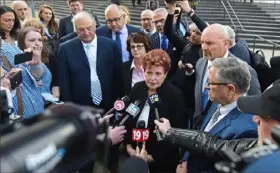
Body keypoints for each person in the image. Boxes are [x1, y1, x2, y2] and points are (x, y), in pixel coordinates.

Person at [154, 79, 280, 173]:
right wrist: (170, 132)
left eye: (264, 115)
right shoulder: (256, 147)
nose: (256, 119)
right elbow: (214, 145)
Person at [124, 49, 186, 173]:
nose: (152, 78)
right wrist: (129, 148)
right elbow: (128, 120)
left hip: (161, 163)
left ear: (166, 74)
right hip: (133, 157)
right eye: (148, 73)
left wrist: (150, 158)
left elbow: (177, 133)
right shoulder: (137, 88)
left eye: (158, 74)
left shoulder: (175, 95)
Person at [58, 11, 123, 111]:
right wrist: (69, 107)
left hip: (109, 102)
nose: (86, 33)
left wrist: (118, 101)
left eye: (89, 28)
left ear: (94, 26)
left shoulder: (111, 46)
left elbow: (118, 76)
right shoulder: (65, 49)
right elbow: (64, 81)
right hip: (80, 105)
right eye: (81, 29)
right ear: (75, 29)